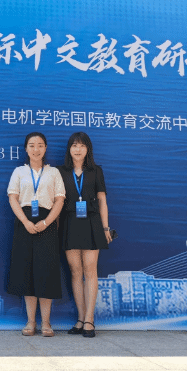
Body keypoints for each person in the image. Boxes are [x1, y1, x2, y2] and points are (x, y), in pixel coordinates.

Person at [7, 132, 65, 337]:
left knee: (46, 272)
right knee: (27, 272)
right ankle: (31, 322)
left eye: (40, 145)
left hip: (47, 223)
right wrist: (25, 221)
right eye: (32, 145)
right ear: (26, 149)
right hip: (24, 223)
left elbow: (59, 200)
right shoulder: (19, 172)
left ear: (45, 148)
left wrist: (46, 222)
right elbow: (13, 198)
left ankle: (46, 323)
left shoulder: (54, 172)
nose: (36, 149)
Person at [58, 132, 112, 338]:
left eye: (82, 145)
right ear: (69, 149)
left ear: (88, 149)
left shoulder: (96, 171)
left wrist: (105, 228)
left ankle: (90, 319)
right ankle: (80, 319)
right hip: (69, 222)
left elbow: (102, 201)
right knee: (75, 271)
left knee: (90, 270)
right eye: (74, 145)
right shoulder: (60, 171)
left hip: (92, 223)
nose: (78, 149)